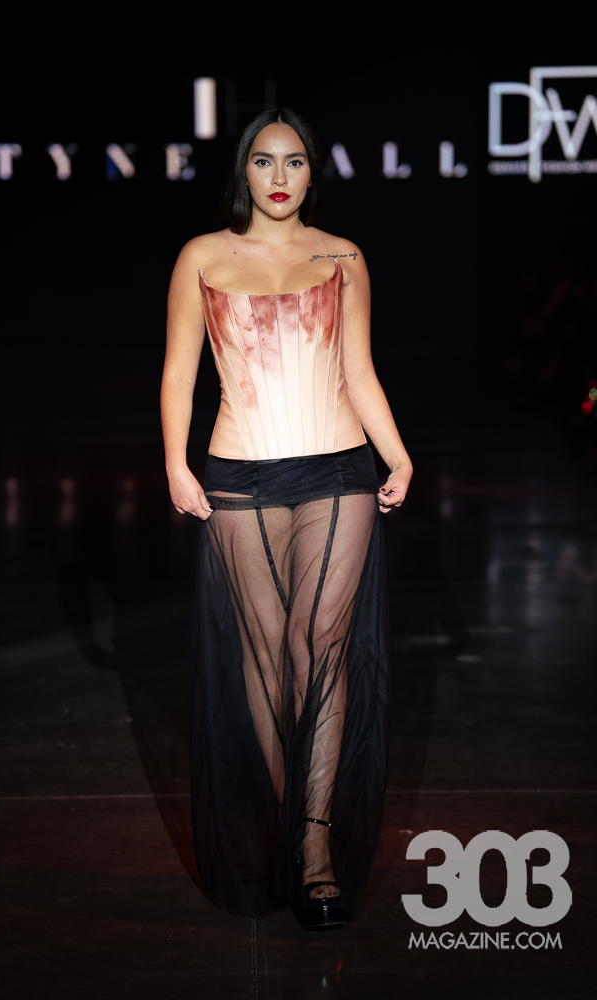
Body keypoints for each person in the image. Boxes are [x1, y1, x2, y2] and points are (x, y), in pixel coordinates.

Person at [161, 108, 412, 928]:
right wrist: (174, 463)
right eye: (264, 161)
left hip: (338, 470)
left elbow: (358, 370)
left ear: (311, 171)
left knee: (320, 646)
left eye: (294, 161)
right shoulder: (203, 255)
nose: (279, 177)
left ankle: (312, 849)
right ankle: (290, 821)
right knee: (267, 656)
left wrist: (397, 456)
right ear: (244, 170)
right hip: (239, 475)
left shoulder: (342, 255)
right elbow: (178, 373)